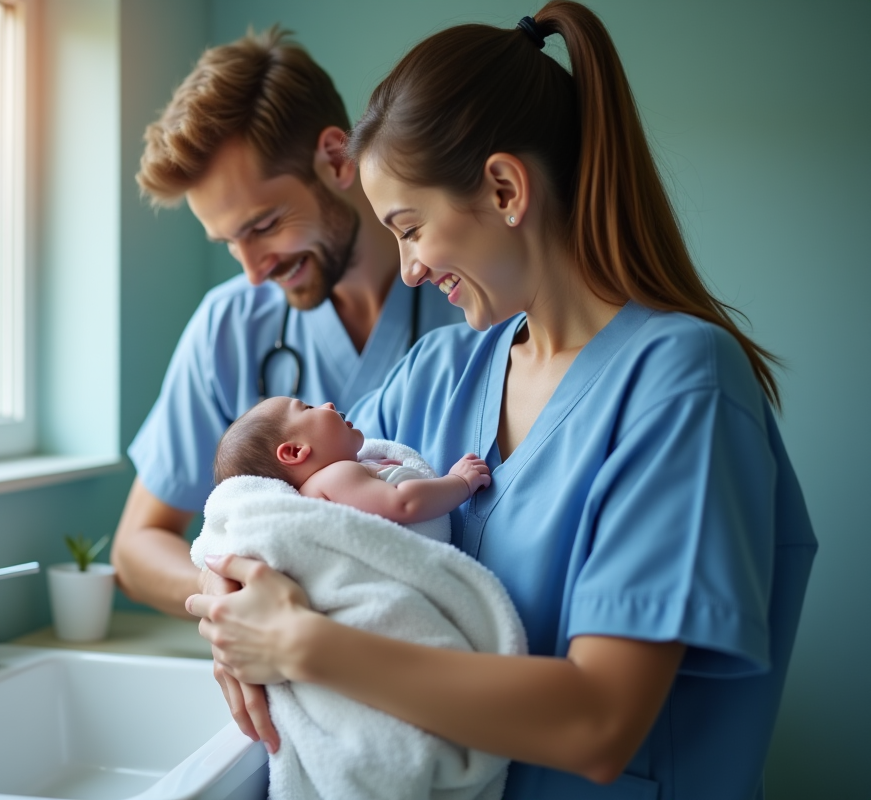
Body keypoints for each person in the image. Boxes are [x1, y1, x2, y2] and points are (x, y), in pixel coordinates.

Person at [186, 4, 817, 799]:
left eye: (411, 228)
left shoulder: (680, 383)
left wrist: (300, 646)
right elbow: (283, 519)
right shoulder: (435, 375)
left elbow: (598, 723)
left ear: (505, 188)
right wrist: (231, 611)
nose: (410, 269)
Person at [113, 27, 464, 617]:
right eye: (230, 243)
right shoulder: (230, 325)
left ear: (335, 158)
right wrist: (228, 589)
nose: (253, 271)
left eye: (264, 226)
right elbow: (136, 546)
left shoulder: (468, 297)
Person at [213, 397, 491, 525]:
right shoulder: (335, 476)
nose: (328, 405)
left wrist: (378, 471)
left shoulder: (338, 479)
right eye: (307, 407)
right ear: (295, 452)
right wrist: (459, 483)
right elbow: (403, 503)